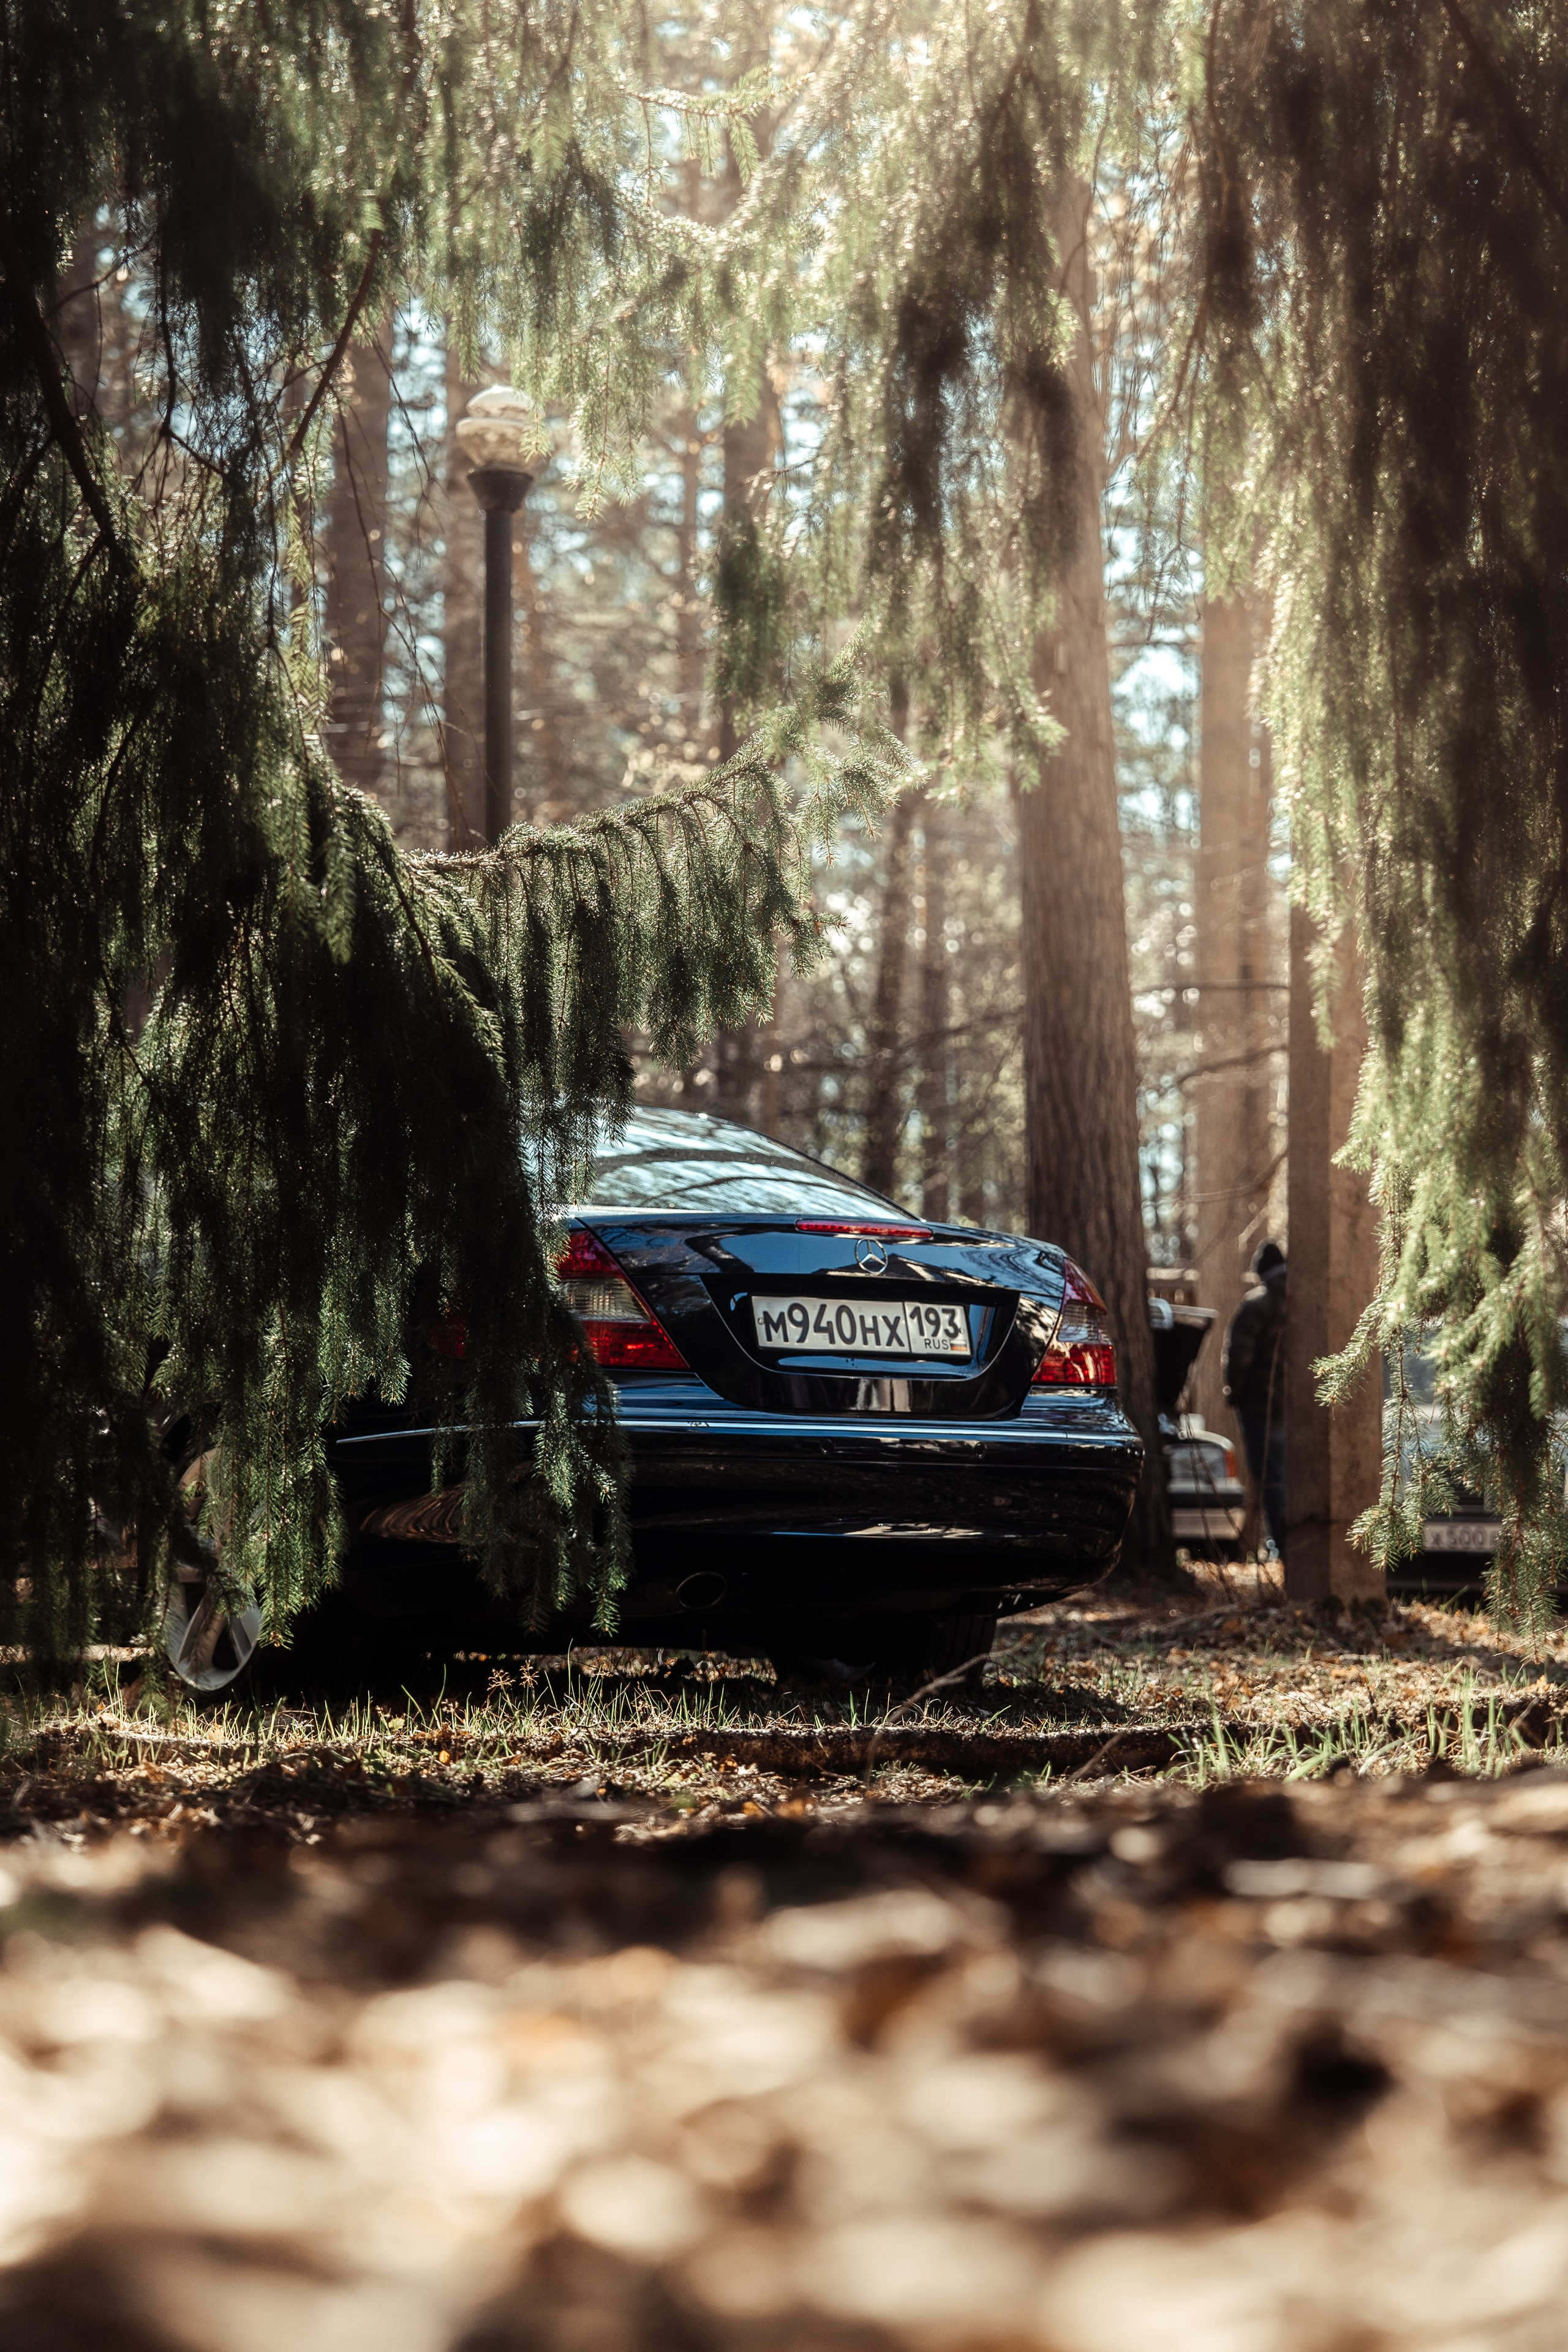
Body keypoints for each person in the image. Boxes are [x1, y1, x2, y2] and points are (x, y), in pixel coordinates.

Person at [1223, 1241, 1287, 1556]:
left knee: (1272, 1481)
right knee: (1293, 1478)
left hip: (1261, 1408)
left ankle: (1281, 1548)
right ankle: (1291, 1548)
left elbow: (1240, 1358)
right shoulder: (1305, 1299)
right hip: (1298, 1411)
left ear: (1261, 1273)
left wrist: (1235, 1393)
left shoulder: (1257, 1304)